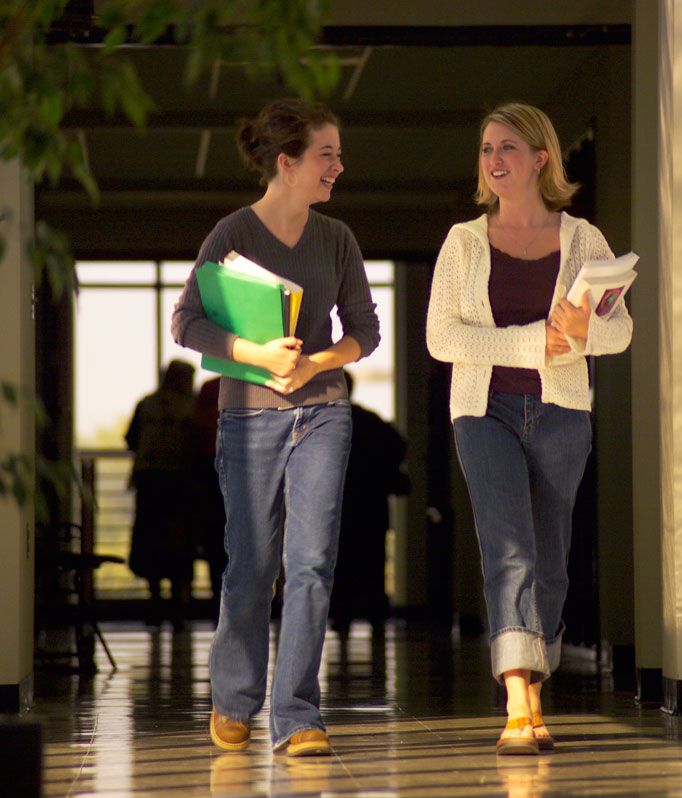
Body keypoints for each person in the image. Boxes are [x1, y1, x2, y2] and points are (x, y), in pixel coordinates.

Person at [171, 97, 380, 758]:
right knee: (253, 564)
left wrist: (315, 361)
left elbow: (365, 331)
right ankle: (233, 698)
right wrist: (257, 354)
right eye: (326, 156)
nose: (337, 167)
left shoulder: (337, 238)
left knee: (311, 563)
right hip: (248, 417)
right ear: (287, 163)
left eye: (338, 156)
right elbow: (186, 322)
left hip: (322, 411)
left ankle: (297, 714)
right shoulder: (231, 233)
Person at [426, 102, 632, 755]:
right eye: (487, 149)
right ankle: (519, 699)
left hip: (562, 412)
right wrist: (532, 342)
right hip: (482, 410)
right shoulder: (463, 242)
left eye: (507, 148)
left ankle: (533, 678)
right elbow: (441, 338)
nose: (494, 160)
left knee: (549, 557)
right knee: (508, 546)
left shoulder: (583, 240)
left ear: (541, 158)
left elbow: (620, 332)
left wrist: (585, 330)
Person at [329, 370, 409, 636]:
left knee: (340, 563)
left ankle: (341, 616)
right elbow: (398, 445)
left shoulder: (328, 425)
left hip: (340, 506)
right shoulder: (371, 422)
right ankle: (376, 616)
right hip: (371, 506)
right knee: (374, 562)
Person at [125, 359, 197, 630]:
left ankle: (154, 604)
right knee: (180, 545)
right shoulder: (192, 407)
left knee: (150, 542)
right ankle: (179, 610)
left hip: (149, 479)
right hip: (181, 483)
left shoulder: (147, 405)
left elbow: (131, 439)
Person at [190, 376, 227, 621]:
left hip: (208, 472)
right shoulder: (254, 384)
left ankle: (218, 602)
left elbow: (197, 430)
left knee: (215, 542)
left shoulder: (209, 389)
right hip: (242, 470)